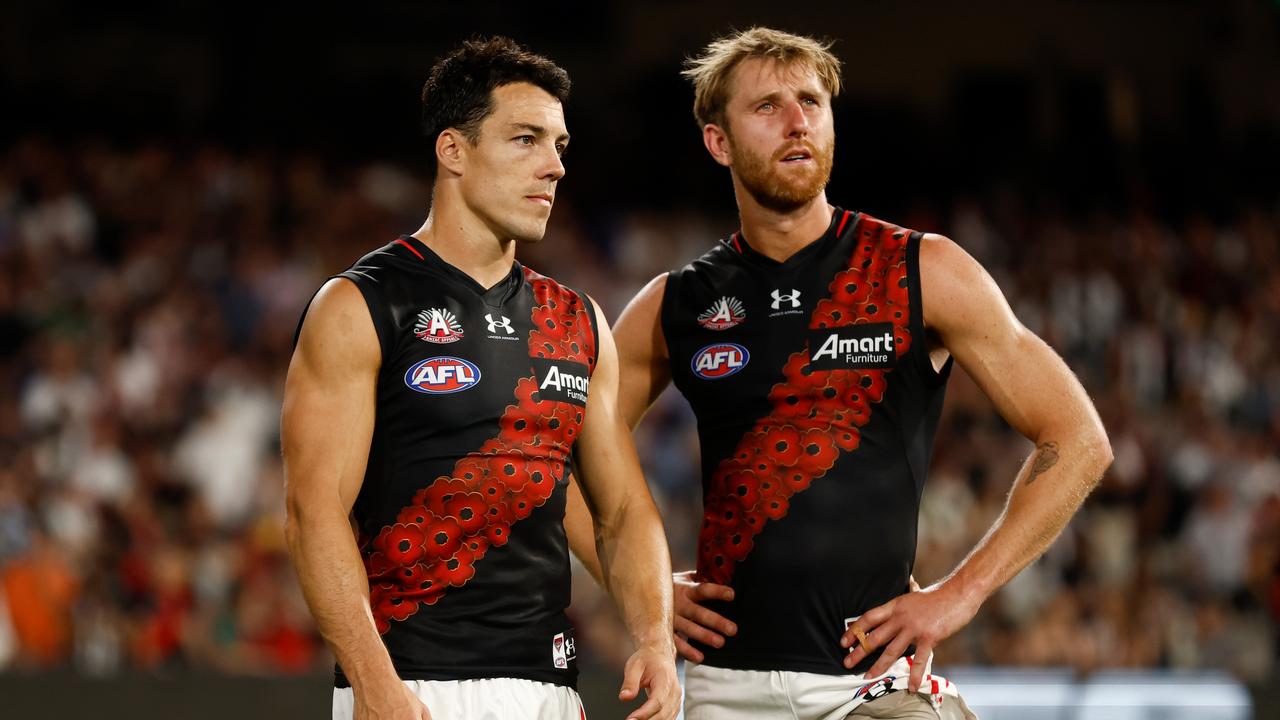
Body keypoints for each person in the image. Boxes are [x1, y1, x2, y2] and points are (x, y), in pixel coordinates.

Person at [564, 27, 1113, 719]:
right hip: (720, 693)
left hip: (874, 690)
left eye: (812, 102)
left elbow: (1078, 438)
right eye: (767, 106)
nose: (797, 122)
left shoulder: (923, 270)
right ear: (718, 142)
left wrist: (959, 594)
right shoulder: (676, 303)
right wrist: (641, 590)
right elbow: (557, 449)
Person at [282, 36, 680, 720]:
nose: (553, 166)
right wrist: (375, 685)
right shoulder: (362, 304)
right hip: (412, 686)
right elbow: (312, 514)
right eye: (526, 140)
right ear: (453, 152)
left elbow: (620, 510)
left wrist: (655, 636)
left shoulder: (578, 319)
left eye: (559, 145)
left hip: (550, 687)